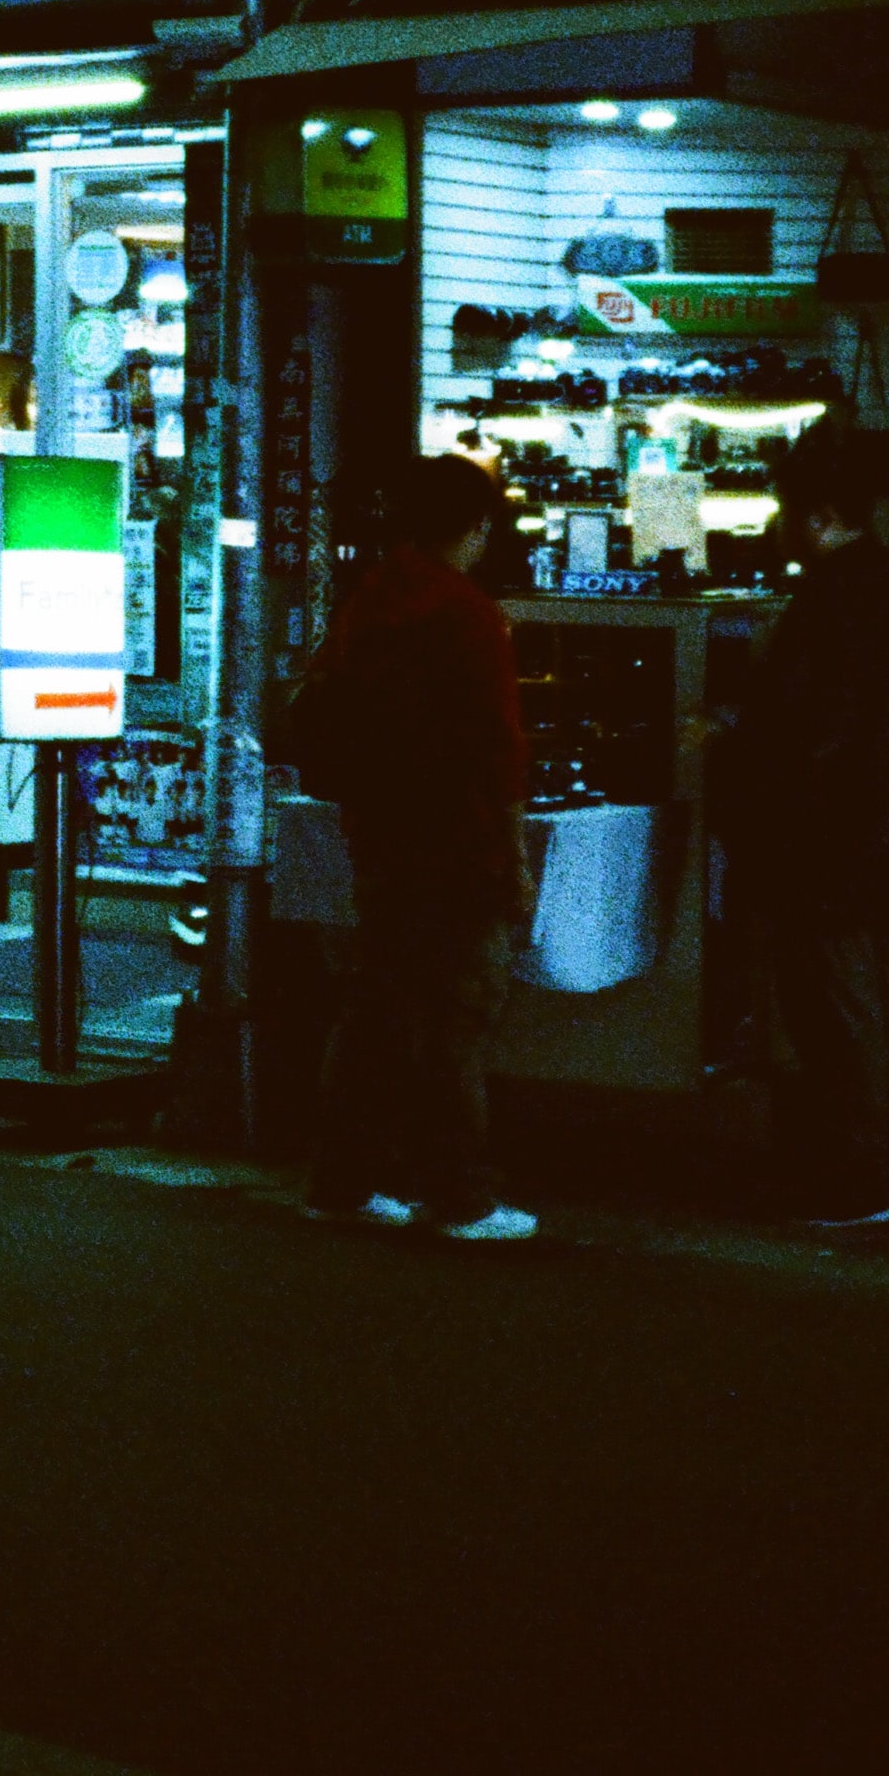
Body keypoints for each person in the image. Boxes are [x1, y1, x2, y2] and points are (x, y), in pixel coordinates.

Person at [283, 452, 536, 1243]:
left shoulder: (372, 597)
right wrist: (515, 857)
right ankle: (459, 1196)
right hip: (457, 838)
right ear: (476, 527)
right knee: (456, 1016)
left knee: (377, 1013)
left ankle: (341, 1182)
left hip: (381, 834)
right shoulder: (467, 614)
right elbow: (498, 749)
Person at [728, 420, 889, 1229]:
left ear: (817, 517)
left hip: (824, 840)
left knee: (830, 1009)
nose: (779, 528)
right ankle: (848, 1163)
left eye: (786, 512)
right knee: (848, 1003)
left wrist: (733, 743)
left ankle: (855, 1174)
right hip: (873, 833)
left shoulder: (833, 599)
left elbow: (810, 726)